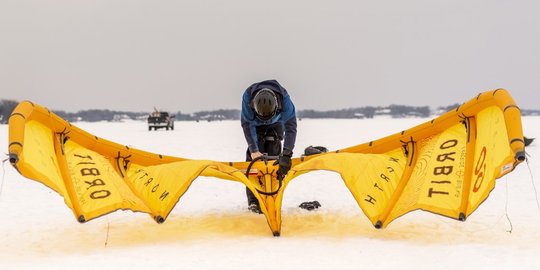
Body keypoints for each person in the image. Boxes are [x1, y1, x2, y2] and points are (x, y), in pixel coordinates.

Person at [241, 79, 297, 213]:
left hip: (276, 124)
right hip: (255, 125)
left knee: (276, 159)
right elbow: (247, 125)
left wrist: (287, 154)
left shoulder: (284, 100)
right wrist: (254, 150)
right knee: (254, 162)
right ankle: (254, 201)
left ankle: (273, 196)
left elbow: (291, 127)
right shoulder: (247, 97)